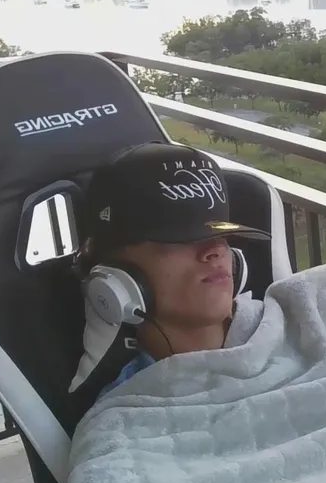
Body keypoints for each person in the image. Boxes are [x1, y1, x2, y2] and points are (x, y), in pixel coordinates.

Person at [74, 141, 271, 399]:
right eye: (180, 240)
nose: (216, 251)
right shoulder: (132, 410)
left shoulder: (293, 321)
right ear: (120, 278)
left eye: (221, 234)